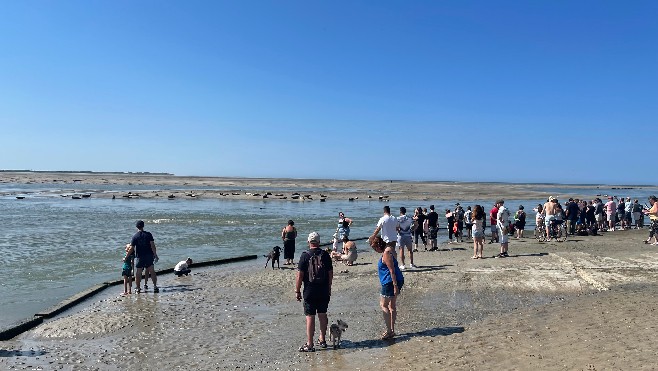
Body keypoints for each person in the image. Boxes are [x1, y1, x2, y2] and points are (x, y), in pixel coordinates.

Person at [295, 232, 334, 352]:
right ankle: (322, 340)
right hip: (323, 290)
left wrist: (297, 291)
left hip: (309, 291)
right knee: (322, 314)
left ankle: (310, 344)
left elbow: (299, 275)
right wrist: (328, 287)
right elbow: (330, 274)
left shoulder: (305, 256)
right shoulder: (325, 255)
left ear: (308, 242)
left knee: (310, 317)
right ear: (319, 242)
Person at [369, 229, 404, 340]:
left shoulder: (386, 253)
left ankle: (389, 331)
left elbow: (391, 270)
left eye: (374, 248)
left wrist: (395, 286)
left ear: (378, 246)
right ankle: (392, 329)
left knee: (384, 305)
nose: (375, 250)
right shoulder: (390, 249)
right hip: (396, 280)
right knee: (392, 306)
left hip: (390, 282)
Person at [131, 220, 159, 293]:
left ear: (136, 227)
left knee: (138, 272)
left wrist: (127, 256)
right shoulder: (148, 234)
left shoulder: (135, 236)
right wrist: (155, 255)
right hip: (149, 255)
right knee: (152, 271)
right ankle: (155, 286)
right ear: (143, 226)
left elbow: (132, 248)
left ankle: (138, 288)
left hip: (140, 256)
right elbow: (153, 245)